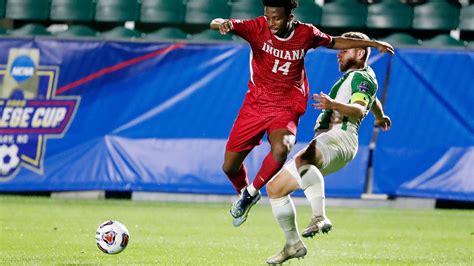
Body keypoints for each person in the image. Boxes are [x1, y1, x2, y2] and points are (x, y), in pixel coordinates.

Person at [209, 0, 394, 227]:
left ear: (290, 17)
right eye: (268, 17)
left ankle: (252, 191)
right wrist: (223, 24)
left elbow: (335, 42)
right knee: (229, 167)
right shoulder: (256, 27)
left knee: (282, 147)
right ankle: (246, 194)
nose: (272, 23)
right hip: (255, 105)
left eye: (276, 18)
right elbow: (215, 22)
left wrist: (373, 43)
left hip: (287, 105)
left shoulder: (306, 33)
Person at [264, 31, 392, 264]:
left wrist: (333, 104)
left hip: (339, 137)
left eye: (345, 50)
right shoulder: (362, 77)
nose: (339, 54)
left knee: (305, 160)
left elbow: (359, 108)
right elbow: (371, 102)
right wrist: (380, 116)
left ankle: (319, 216)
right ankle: (292, 245)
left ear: (360, 52)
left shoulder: (360, 78)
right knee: (275, 189)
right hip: (334, 141)